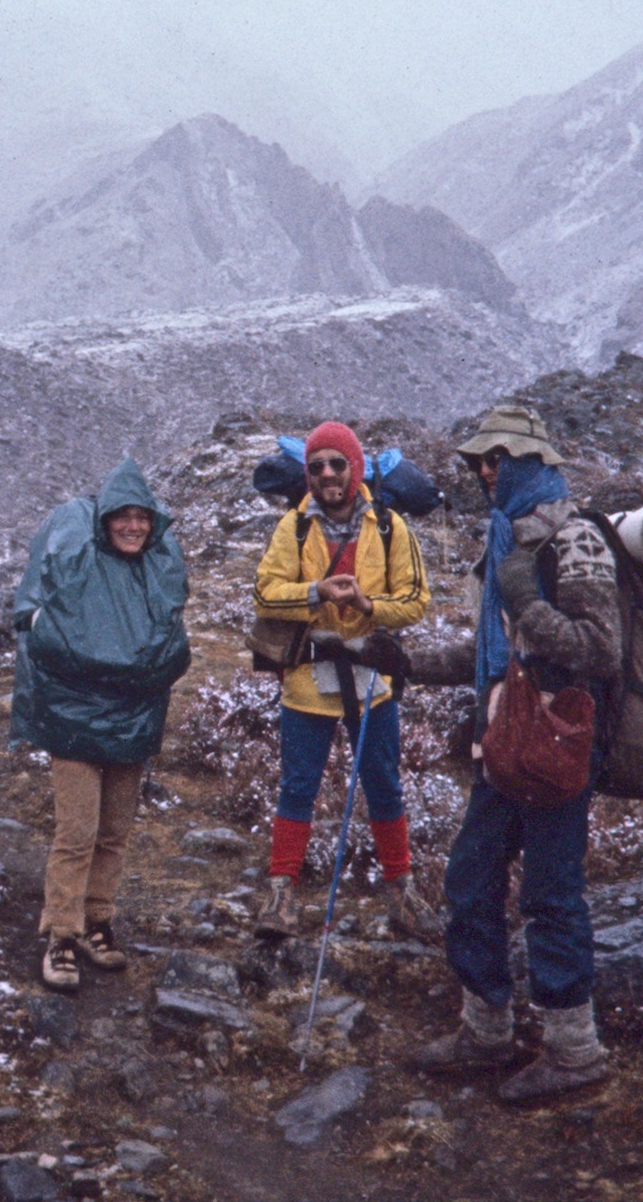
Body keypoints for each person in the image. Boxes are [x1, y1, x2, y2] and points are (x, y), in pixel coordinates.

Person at [411, 403, 622, 1103]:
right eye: (477, 462)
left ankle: (574, 1050)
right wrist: (400, 660)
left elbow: (599, 648)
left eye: (495, 460)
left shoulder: (576, 538)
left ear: (530, 461)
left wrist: (528, 600)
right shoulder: (505, 538)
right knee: (471, 879)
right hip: (507, 736)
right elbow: (489, 656)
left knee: (550, 893)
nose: (484, 472)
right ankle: (487, 1029)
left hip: (561, 738)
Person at [249, 421, 440, 942]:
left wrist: (365, 605)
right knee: (298, 787)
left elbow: (416, 600)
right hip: (309, 681)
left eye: (338, 464)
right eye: (317, 467)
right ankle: (281, 892)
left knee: (383, 784)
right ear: (307, 474)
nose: (328, 475)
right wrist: (315, 593)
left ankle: (401, 887)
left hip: (371, 678)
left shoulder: (390, 527)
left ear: (356, 468)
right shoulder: (294, 527)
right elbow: (266, 592)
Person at [10, 456, 191, 991]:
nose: (132, 526)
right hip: (73, 720)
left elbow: (167, 643)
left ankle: (98, 921)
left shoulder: (156, 568)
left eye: (141, 516)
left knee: (114, 832)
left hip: (131, 720)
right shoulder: (79, 561)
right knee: (77, 832)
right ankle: (61, 935)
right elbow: (46, 632)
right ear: (104, 519)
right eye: (122, 516)